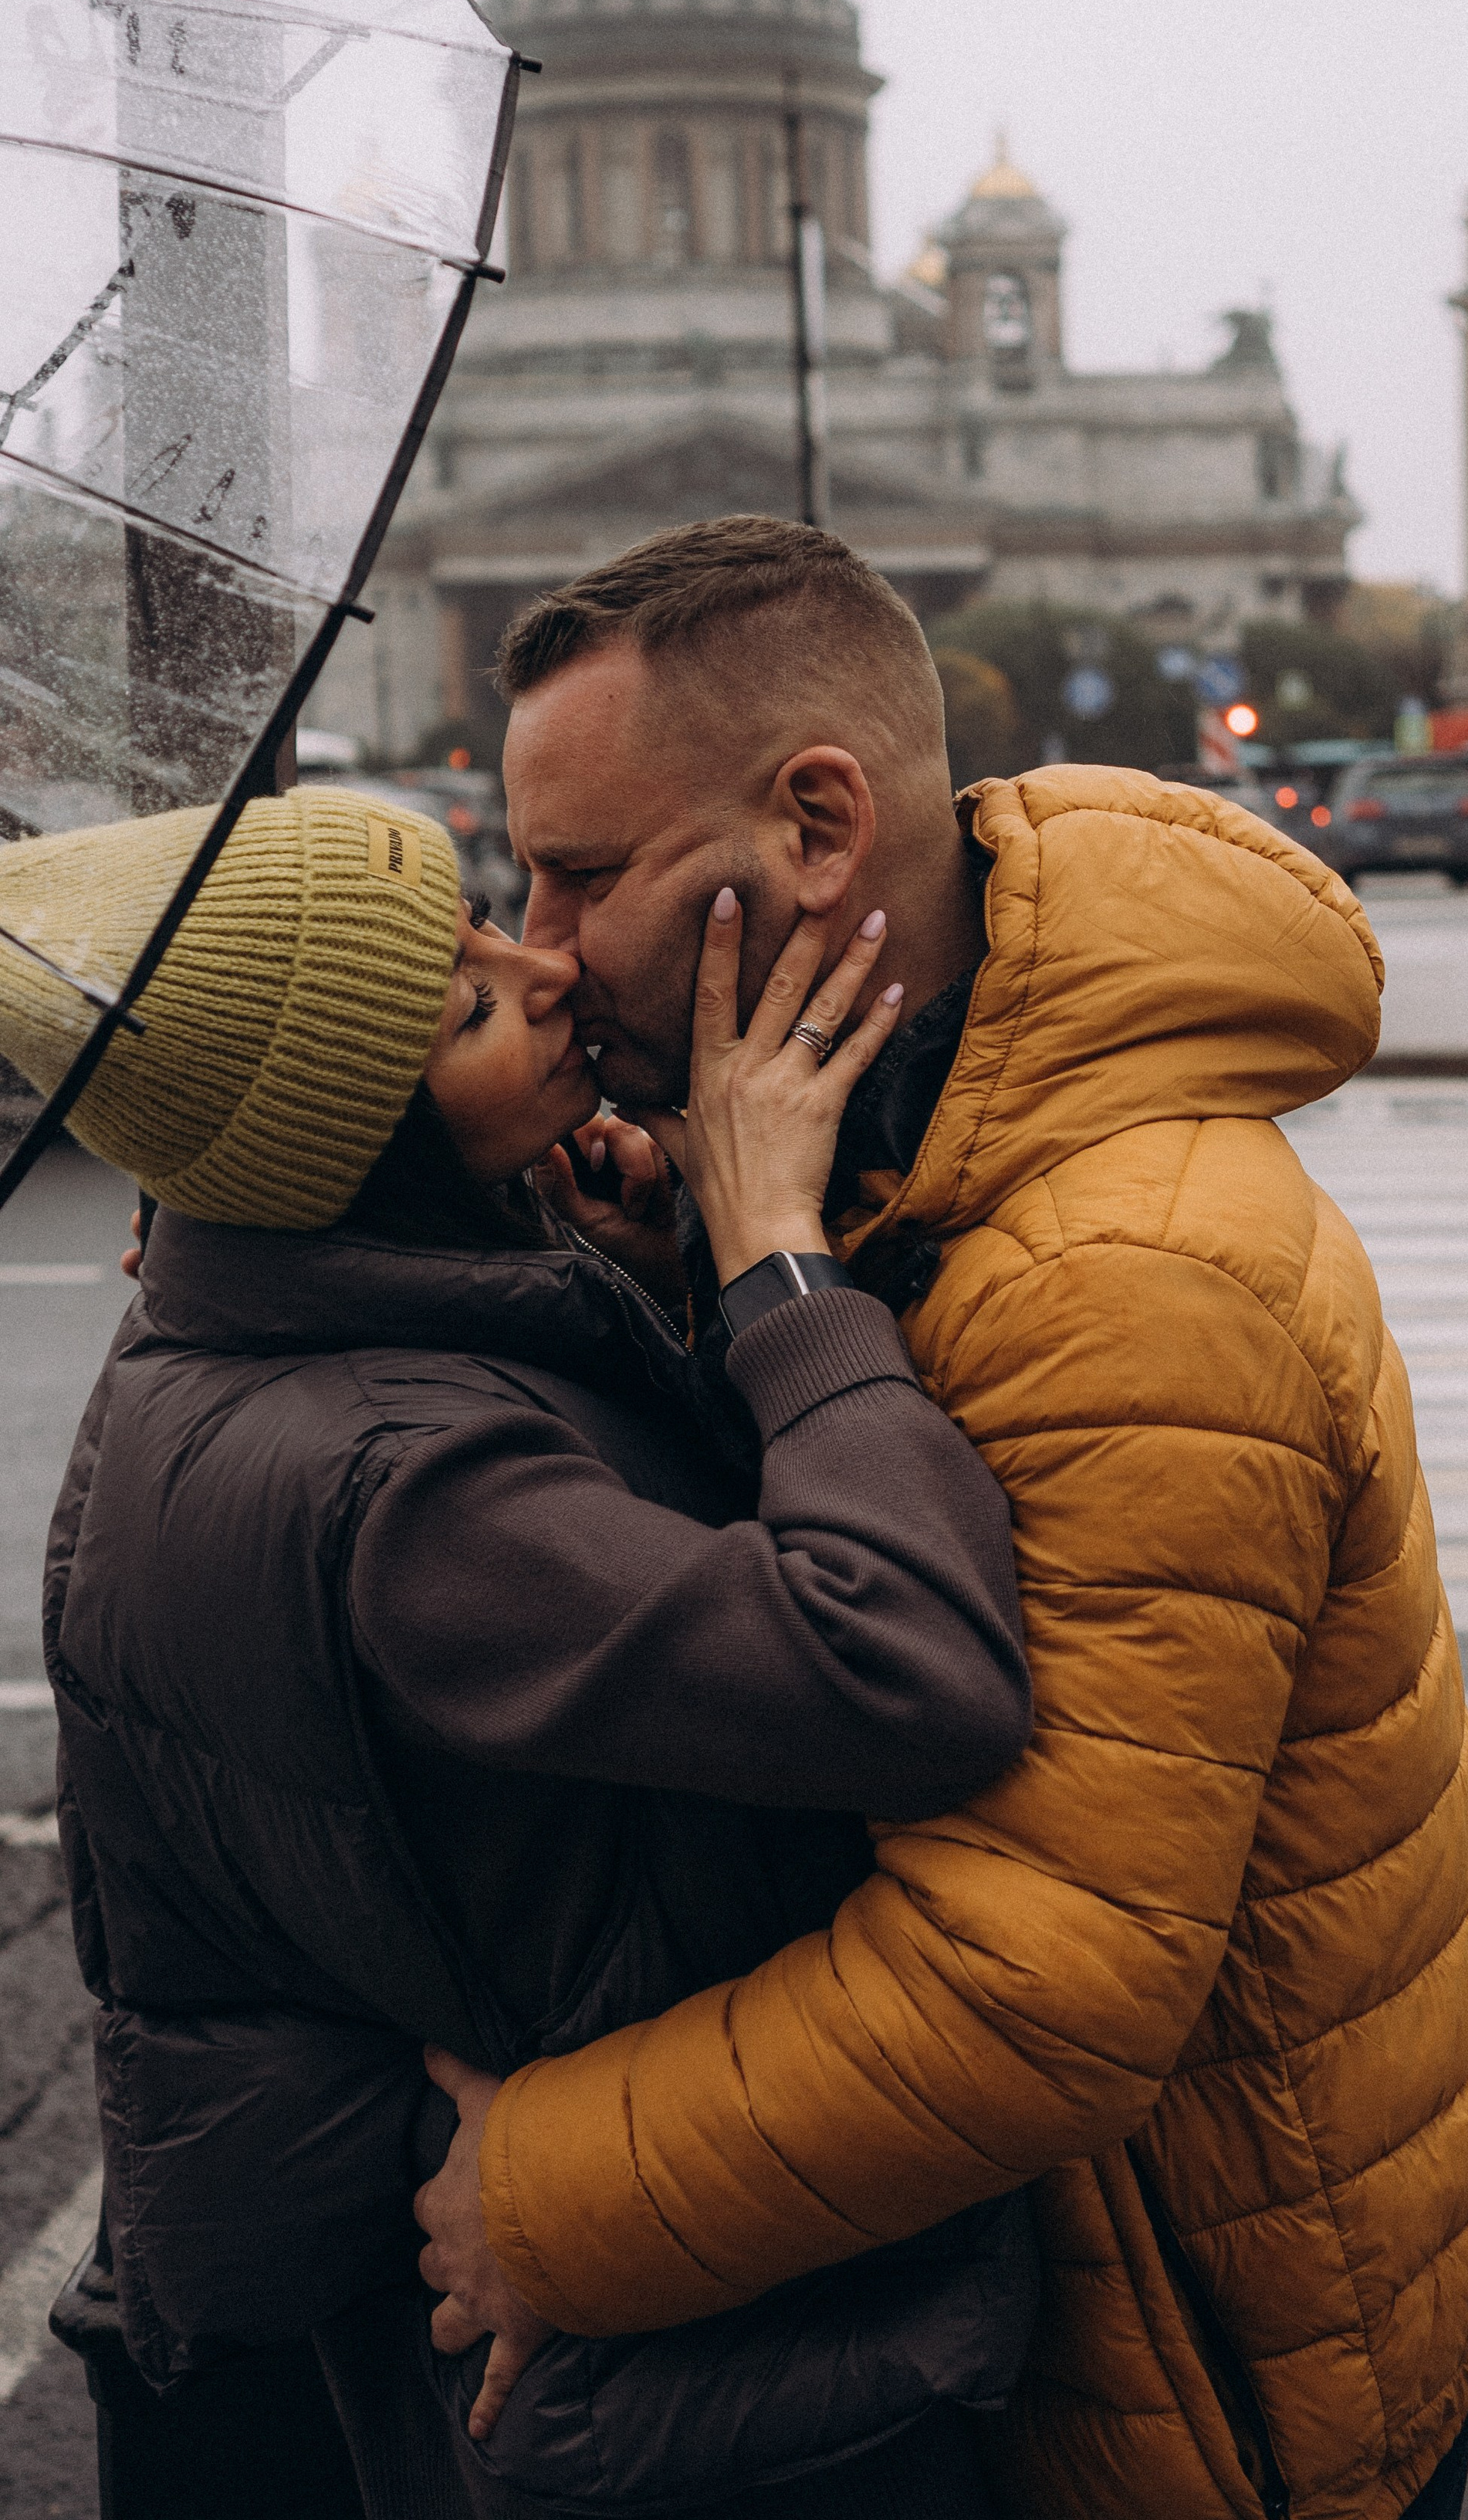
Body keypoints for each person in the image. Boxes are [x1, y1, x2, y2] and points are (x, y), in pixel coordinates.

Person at [414, 516, 1468, 2520]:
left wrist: (540, 2195)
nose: (542, 941)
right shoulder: (885, 1140)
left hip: (1215, 2340)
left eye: (584, 873)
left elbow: (1040, 1989)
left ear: (823, 827)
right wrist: (707, 1254)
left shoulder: (1124, 1273)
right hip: (1141, 2262)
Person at [14, 784, 1037, 2518]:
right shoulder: (414, 1487)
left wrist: (627, 1278)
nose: (545, 966)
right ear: (357, 1150)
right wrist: (781, 1276)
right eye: (472, 1007)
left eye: (485, 918)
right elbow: (908, 1673)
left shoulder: (218, 1332)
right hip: (634, 2401)